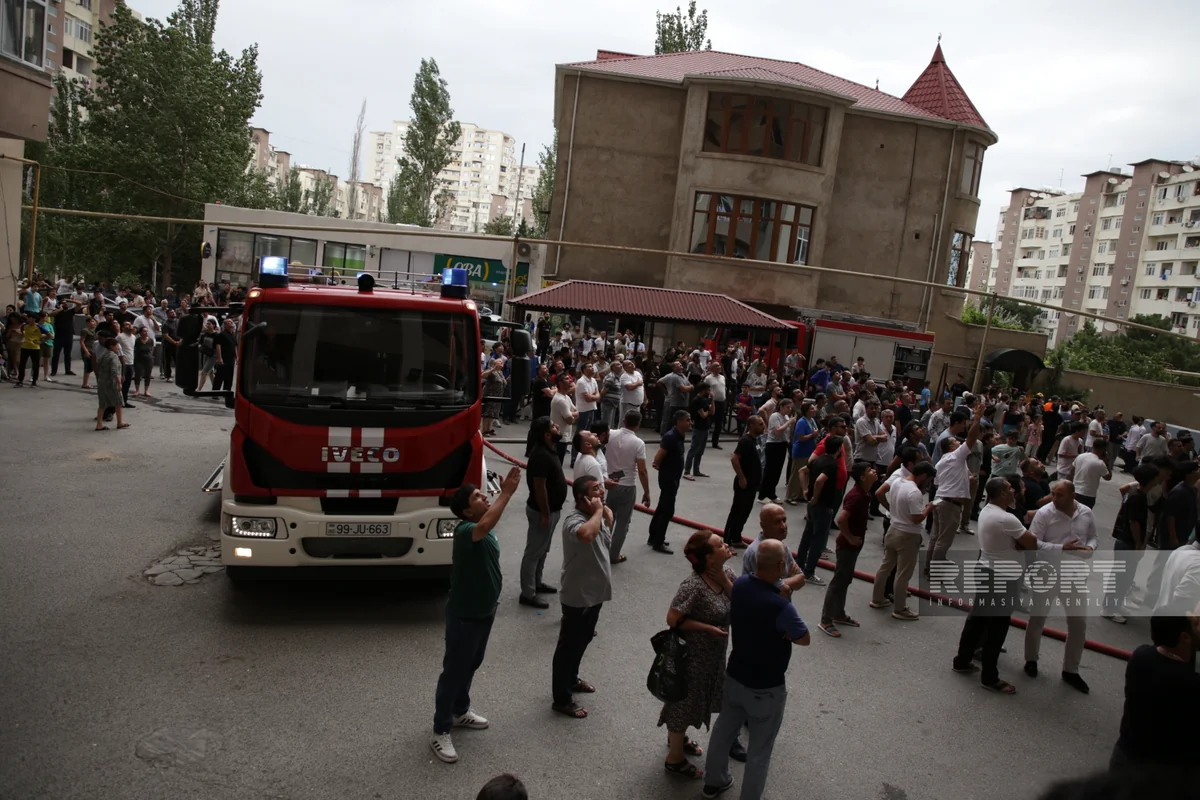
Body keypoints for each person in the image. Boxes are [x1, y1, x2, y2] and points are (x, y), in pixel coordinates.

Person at [701, 539, 810, 800]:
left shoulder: (740, 585)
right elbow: (804, 637)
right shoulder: (780, 606)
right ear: (781, 565)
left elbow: (735, 596)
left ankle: (713, 781)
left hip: (736, 674)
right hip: (766, 687)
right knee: (760, 751)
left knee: (724, 730)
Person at [430, 467, 523, 764]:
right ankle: (440, 730)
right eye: (478, 496)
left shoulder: (483, 527)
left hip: (484, 612)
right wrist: (506, 493)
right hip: (465, 616)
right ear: (466, 511)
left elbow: (489, 523)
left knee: (471, 664)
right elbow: (483, 526)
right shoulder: (466, 531)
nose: (485, 496)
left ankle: (460, 711)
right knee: (454, 670)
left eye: (484, 494)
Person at [950, 477, 1039, 694]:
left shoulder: (988, 511)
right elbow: (1033, 543)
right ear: (1001, 494)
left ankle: (962, 660)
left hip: (987, 570)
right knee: (997, 627)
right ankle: (989, 677)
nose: (1013, 491)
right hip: (1002, 576)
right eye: (1009, 489)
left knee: (978, 619)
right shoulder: (1006, 519)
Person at [659, 531, 737, 779]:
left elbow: (741, 603)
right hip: (691, 658)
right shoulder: (693, 585)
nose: (726, 545)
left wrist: (725, 582)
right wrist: (706, 628)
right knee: (682, 705)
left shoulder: (727, 575)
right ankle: (675, 759)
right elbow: (672, 618)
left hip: (713, 657)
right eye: (720, 545)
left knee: (694, 703)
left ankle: (678, 740)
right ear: (709, 558)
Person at [1023, 480, 1098, 694]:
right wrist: (1060, 548)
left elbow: (1093, 536)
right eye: (1053, 494)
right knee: (1037, 618)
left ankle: (1071, 670)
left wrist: (1090, 548)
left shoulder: (1086, 513)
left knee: (1078, 624)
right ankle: (1031, 660)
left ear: (1073, 495)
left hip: (1074, 575)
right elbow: (1033, 542)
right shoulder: (1045, 514)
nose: (1054, 499)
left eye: (1060, 495)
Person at [551, 476, 613, 720]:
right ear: (582, 499)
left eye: (601, 487)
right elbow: (586, 535)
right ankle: (562, 699)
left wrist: (603, 514)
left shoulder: (595, 516)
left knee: (583, 640)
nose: (602, 492)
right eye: (596, 490)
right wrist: (599, 512)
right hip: (578, 595)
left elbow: (604, 538)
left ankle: (572, 679)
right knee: (568, 647)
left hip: (594, 594)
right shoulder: (573, 521)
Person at [1109, 613, 1200, 771]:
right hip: (1162, 775)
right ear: (1185, 637)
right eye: (1195, 625)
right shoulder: (1190, 683)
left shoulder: (1141, 656)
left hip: (1125, 757)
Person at [871, 462, 937, 620]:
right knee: (903, 573)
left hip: (893, 530)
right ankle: (900, 608)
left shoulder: (897, 482)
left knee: (885, 567)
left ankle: (877, 598)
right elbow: (916, 519)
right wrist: (928, 508)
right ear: (922, 476)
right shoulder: (914, 492)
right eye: (928, 480)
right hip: (907, 535)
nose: (928, 485)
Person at [819, 461, 877, 637]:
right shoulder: (856, 496)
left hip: (853, 546)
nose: (874, 472)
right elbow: (841, 519)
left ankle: (839, 613)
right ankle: (826, 619)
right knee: (838, 582)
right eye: (870, 470)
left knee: (845, 580)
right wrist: (850, 538)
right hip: (847, 546)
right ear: (862, 477)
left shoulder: (864, 493)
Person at [927, 402, 984, 575]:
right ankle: (934, 572)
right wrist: (977, 419)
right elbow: (972, 439)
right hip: (949, 504)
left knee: (936, 538)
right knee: (943, 541)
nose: (958, 442)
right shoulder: (955, 456)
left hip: (940, 499)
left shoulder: (944, 461)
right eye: (954, 442)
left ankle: (928, 567)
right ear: (950, 447)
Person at [520, 417, 568, 609]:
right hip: (542, 511)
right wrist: (546, 513)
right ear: (547, 434)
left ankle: (537, 582)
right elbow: (540, 487)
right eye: (554, 426)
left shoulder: (549, 450)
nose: (557, 427)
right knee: (533, 552)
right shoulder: (541, 455)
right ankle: (528, 593)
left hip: (550, 510)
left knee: (542, 550)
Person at [1105, 464, 1160, 624]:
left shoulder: (1135, 494)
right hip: (1128, 542)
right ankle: (1109, 608)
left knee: (1126, 577)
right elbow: (1134, 523)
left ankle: (1116, 604)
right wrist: (1138, 544)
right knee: (1121, 576)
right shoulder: (1138, 497)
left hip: (1127, 541)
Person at [797, 434, 846, 585]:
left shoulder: (818, 460)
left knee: (807, 536)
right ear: (838, 449)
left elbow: (802, 471)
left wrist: (806, 490)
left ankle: (799, 565)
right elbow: (820, 480)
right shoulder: (832, 464)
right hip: (823, 505)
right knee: (817, 540)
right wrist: (816, 497)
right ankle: (809, 572)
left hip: (812, 505)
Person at [604, 409, 650, 565]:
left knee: (608, 518)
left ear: (623, 421)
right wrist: (647, 492)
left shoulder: (611, 434)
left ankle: (601, 551)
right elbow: (642, 471)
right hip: (627, 485)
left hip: (611, 482)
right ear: (638, 425)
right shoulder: (638, 443)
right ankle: (614, 554)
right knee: (622, 523)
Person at [648, 410, 691, 555]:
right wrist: (657, 463)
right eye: (687, 420)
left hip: (673, 477)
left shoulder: (679, 436)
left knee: (661, 507)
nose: (690, 422)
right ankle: (658, 542)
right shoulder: (671, 437)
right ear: (679, 422)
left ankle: (653, 536)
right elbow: (659, 455)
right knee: (667, 510)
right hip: (668, 478)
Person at [758, 398, 793, 503]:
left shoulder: (786, 417)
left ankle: (772, 493)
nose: (789, 409)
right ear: (781, 407)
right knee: (770, 471)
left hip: (783, 444)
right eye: (787, 407)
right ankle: (762, 495)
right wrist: (789, 422)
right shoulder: (775, 416)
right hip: (773, 445)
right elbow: (777, 431)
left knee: (777, 471)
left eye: (790, 407)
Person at [785, 401, 818, 505]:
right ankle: (791, 496)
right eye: (812, 409)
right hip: (800, 450)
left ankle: (800, 494)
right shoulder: (801, 422)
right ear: (806, 411)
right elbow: (800, 437)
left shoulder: (811, 420)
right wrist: (812, 435)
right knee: (795, 474)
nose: (814, 410)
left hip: (809, 450)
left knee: (805, 474)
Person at [93, 338, 129, 431]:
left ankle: (99, 424)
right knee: (118, 401)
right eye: (116, 345)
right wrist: (119, 383)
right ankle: (120, 422)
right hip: (111, 382)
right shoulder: (113, 356)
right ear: (111, 346)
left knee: (102, 404)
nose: (118, 347)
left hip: (102, 381)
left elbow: (97, 365)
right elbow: (114, 371)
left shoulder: (103, 355)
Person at [684, 383, 714, 480]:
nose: (709, 392)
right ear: (702, 390)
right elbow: (703, 415)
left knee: (700, 451)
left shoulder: (706, 399)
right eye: (708, 390)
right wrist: (708, 411)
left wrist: (712, 401)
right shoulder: (697, 401)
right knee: (694, 449)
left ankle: (696, 470)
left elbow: (712, 411)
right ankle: (687, 471)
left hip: (705, 427)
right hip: (698, 427)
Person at [1072, 438, 1111, 508]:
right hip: (1088, 494)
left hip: (1075, 490)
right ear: (1103, 449)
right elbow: (1108, 477)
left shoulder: (1080, 456)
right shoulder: (1100, 463)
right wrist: (1107, 463)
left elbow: (1071, 471)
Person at [549, 374, 577, 464]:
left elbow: (577, 411)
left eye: (570, 378)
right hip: (559, 438)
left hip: (564, 437)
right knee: (556, 465)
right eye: (566, 379)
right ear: (560, 383)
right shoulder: (560, 400)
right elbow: (570, 420)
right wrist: (572, 415)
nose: (570, 381)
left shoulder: (566, 397)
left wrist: (570, 414)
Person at [132, 325, 155, 397]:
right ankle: (137, 390)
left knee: (148, 375)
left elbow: (152, 349)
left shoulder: (150, 340)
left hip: (148, 359)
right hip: (139, 359)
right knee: (138, 374)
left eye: (147, 331)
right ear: (141, 332)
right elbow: (135, 349)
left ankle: (146, 390)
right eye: (144, 331)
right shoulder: (137, 340)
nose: (146, 332)